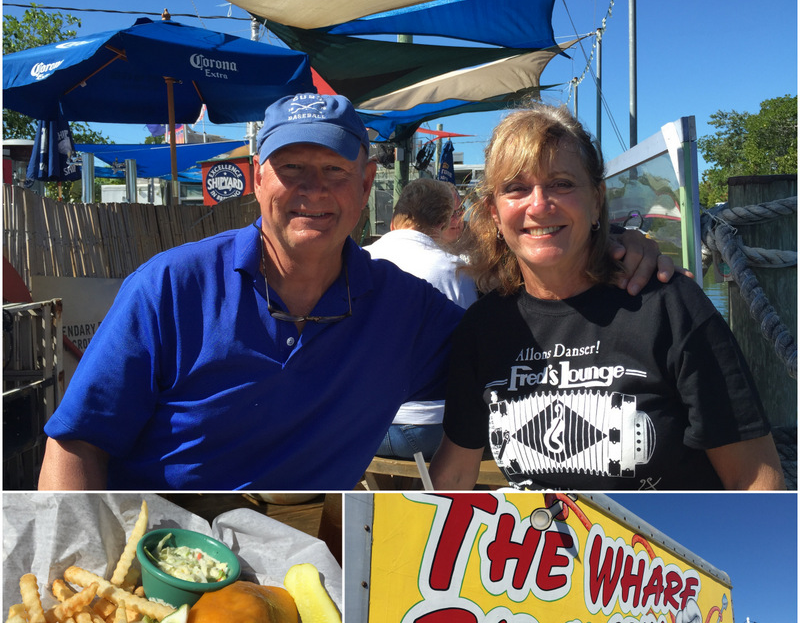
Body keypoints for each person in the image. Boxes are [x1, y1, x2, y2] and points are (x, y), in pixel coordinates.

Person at [38, 93, 672, 492]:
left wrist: (607, 250)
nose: (313, 190)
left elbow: (515, 333)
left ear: (367, 184)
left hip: (308, 551)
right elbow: (75, 445)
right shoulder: (171, 286)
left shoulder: (406, 310)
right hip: (156, 541)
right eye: (292, 170)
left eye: (335, 172)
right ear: (258, 179)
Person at [429, 102, 784, 491]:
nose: (539, 204)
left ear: (597, 199)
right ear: (494, 213)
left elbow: (755, 480)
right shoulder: (483, 327)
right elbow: (456, 474)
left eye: (562, 183)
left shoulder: (670, 306)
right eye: (516, 188)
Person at [367, 177, 477, 460]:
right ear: (442, 224)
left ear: (395, 219)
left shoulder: (357, 260)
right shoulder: (456, 270)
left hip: (362, 428)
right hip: (428, 429)